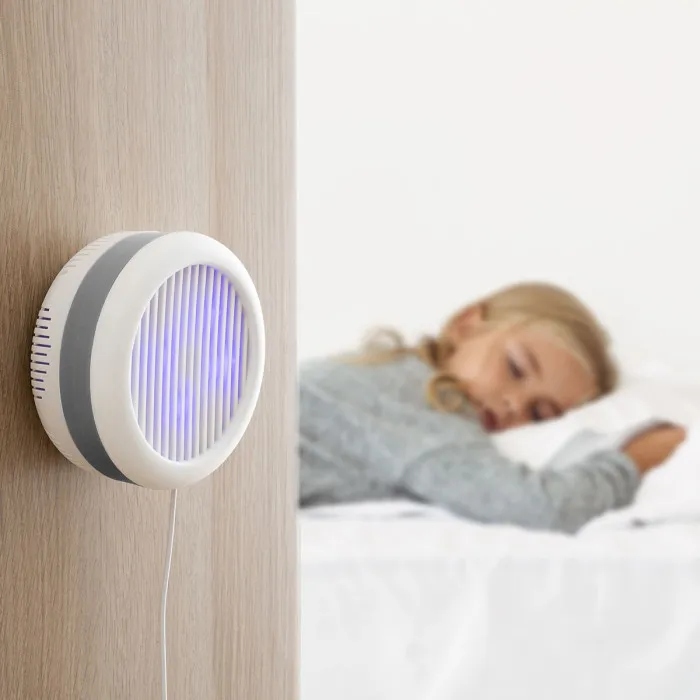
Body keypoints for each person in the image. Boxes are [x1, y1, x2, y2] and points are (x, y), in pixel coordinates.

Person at [299, 282, 686, 533]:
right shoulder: (419, 401)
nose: (515, 404)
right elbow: (539, 508)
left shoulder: (389, 375)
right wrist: (633, 460)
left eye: (539, 414)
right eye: (515, 368)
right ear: (466, 325)